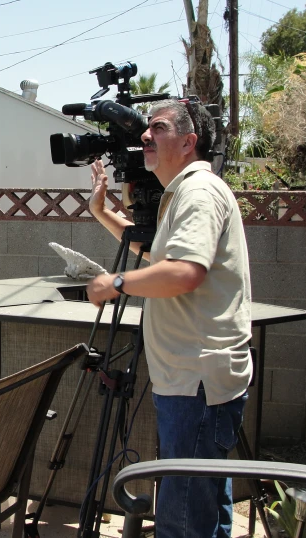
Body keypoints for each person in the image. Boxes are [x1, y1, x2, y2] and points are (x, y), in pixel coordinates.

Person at [87, 99, 252, 538]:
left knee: (182, 518)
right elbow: (160, 254)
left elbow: (183, 272)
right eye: (146, 129)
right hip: (193, 378)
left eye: (157, 128)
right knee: (203, 504)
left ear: (188, 141)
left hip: (194, 380)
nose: (145, 136)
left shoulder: (198, 191)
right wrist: (101, 211)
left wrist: (114, 283)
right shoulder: (185, 191)